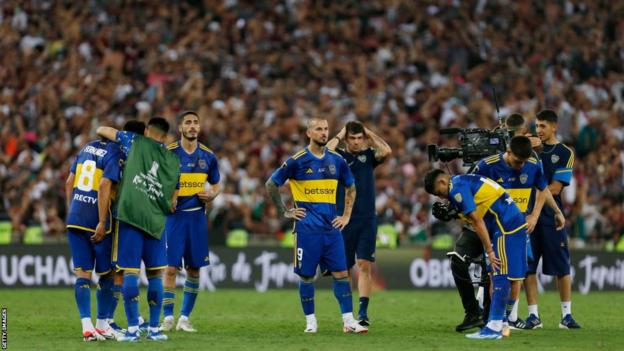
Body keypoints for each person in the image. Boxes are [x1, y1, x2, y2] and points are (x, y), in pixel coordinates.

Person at [265, 117, 367, 334]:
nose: (324, 133)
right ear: (308, 133)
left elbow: (351, 186)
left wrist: (346, 215)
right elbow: (271, 183)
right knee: (307, 276)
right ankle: (311, 321)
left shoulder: (337, 160)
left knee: (342, 273)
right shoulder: (297, 160)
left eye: (326, 129)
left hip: (332, 229)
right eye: (319, 129)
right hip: (307, 230)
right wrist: (286, 211)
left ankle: (348, 321)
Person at [97, 117, 180, 342]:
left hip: (130, 217)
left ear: (146, 130)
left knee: (129, 272)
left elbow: (102, 129)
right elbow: (174, 200)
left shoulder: (133, 141)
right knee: (155, 274)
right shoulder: (172, 160)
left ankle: (133, 328)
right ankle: (154, 329)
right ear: (165, 136)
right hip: (155, 222)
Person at [473, 135, 565, 335]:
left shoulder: (532, 164)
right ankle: (497, 320)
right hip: (494, 228)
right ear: (507, 152)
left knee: (517, 278)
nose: (519, 166)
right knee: (497, 276)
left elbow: (543, 189)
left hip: (519, 229)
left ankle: (506, 319)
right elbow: (470, 189)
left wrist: (535, 215)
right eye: (516, 161)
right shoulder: (486, 166)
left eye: (522, 162)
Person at [424, 169, 526, 340]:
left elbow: (477, 221)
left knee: (498, 272)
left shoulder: (456, 189)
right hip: (513, 220)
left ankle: (494, 327)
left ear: (442, 182)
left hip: (503, 224)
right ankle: (501, 322)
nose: (441, 197)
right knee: (504, 275)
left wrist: (489, 250)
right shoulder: (460, 181)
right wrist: (455, 213)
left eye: (439, 192)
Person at [325, 121, 391, 326]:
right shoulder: (339, 158)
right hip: (344, 219)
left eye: (358, 138)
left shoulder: (369, 156)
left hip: (367, 218)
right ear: (346, 139)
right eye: (351, 138)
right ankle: (348, 313)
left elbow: (386, 150)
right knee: (343, 269)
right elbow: (327, 149)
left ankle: (362, 312)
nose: (355, 142)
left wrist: (369, 133)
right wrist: (341, 132)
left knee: (364, 264)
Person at [161, 111, 221, 332]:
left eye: (196, 122)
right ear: (180, 128)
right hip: (173, 219)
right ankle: (167, 317)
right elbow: (155, 182)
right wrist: (167, 198)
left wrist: (213, 195)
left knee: (194, 269)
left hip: (196, 217)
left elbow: (216, 184)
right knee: (170, 268)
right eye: (188, 122)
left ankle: (184, 318)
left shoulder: (208, 156)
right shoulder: (167, 153)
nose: (193, 126)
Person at [524, 109, 581, 329]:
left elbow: (555, 188)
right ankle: (533, 316)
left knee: (561, 267)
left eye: (542, 126)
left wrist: (537, 211)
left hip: (549, 216)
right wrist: (529, 150)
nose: (538, 130)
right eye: (536, 126)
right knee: (528, 268)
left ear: (554, 127)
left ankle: (566, 316)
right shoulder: (527, 150)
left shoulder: (565, 152)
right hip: (526, 215)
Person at [65, 127, 124, 341]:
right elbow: (103, 184)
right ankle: (101, 322)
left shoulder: (85, 148)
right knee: (106, 273)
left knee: (82, 274)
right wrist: (101, 220)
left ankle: (87, 326)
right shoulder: (114, 153)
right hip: (97, 221)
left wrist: (71, 209)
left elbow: (69, 182)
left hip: (75, 218)